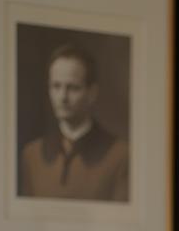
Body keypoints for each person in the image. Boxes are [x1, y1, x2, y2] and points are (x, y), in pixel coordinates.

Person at [19, 42, 128, 202]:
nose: (62, 97)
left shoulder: (120, 156)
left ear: (91, 93)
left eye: (73, 88)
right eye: (56, 86)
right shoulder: (31, 155)